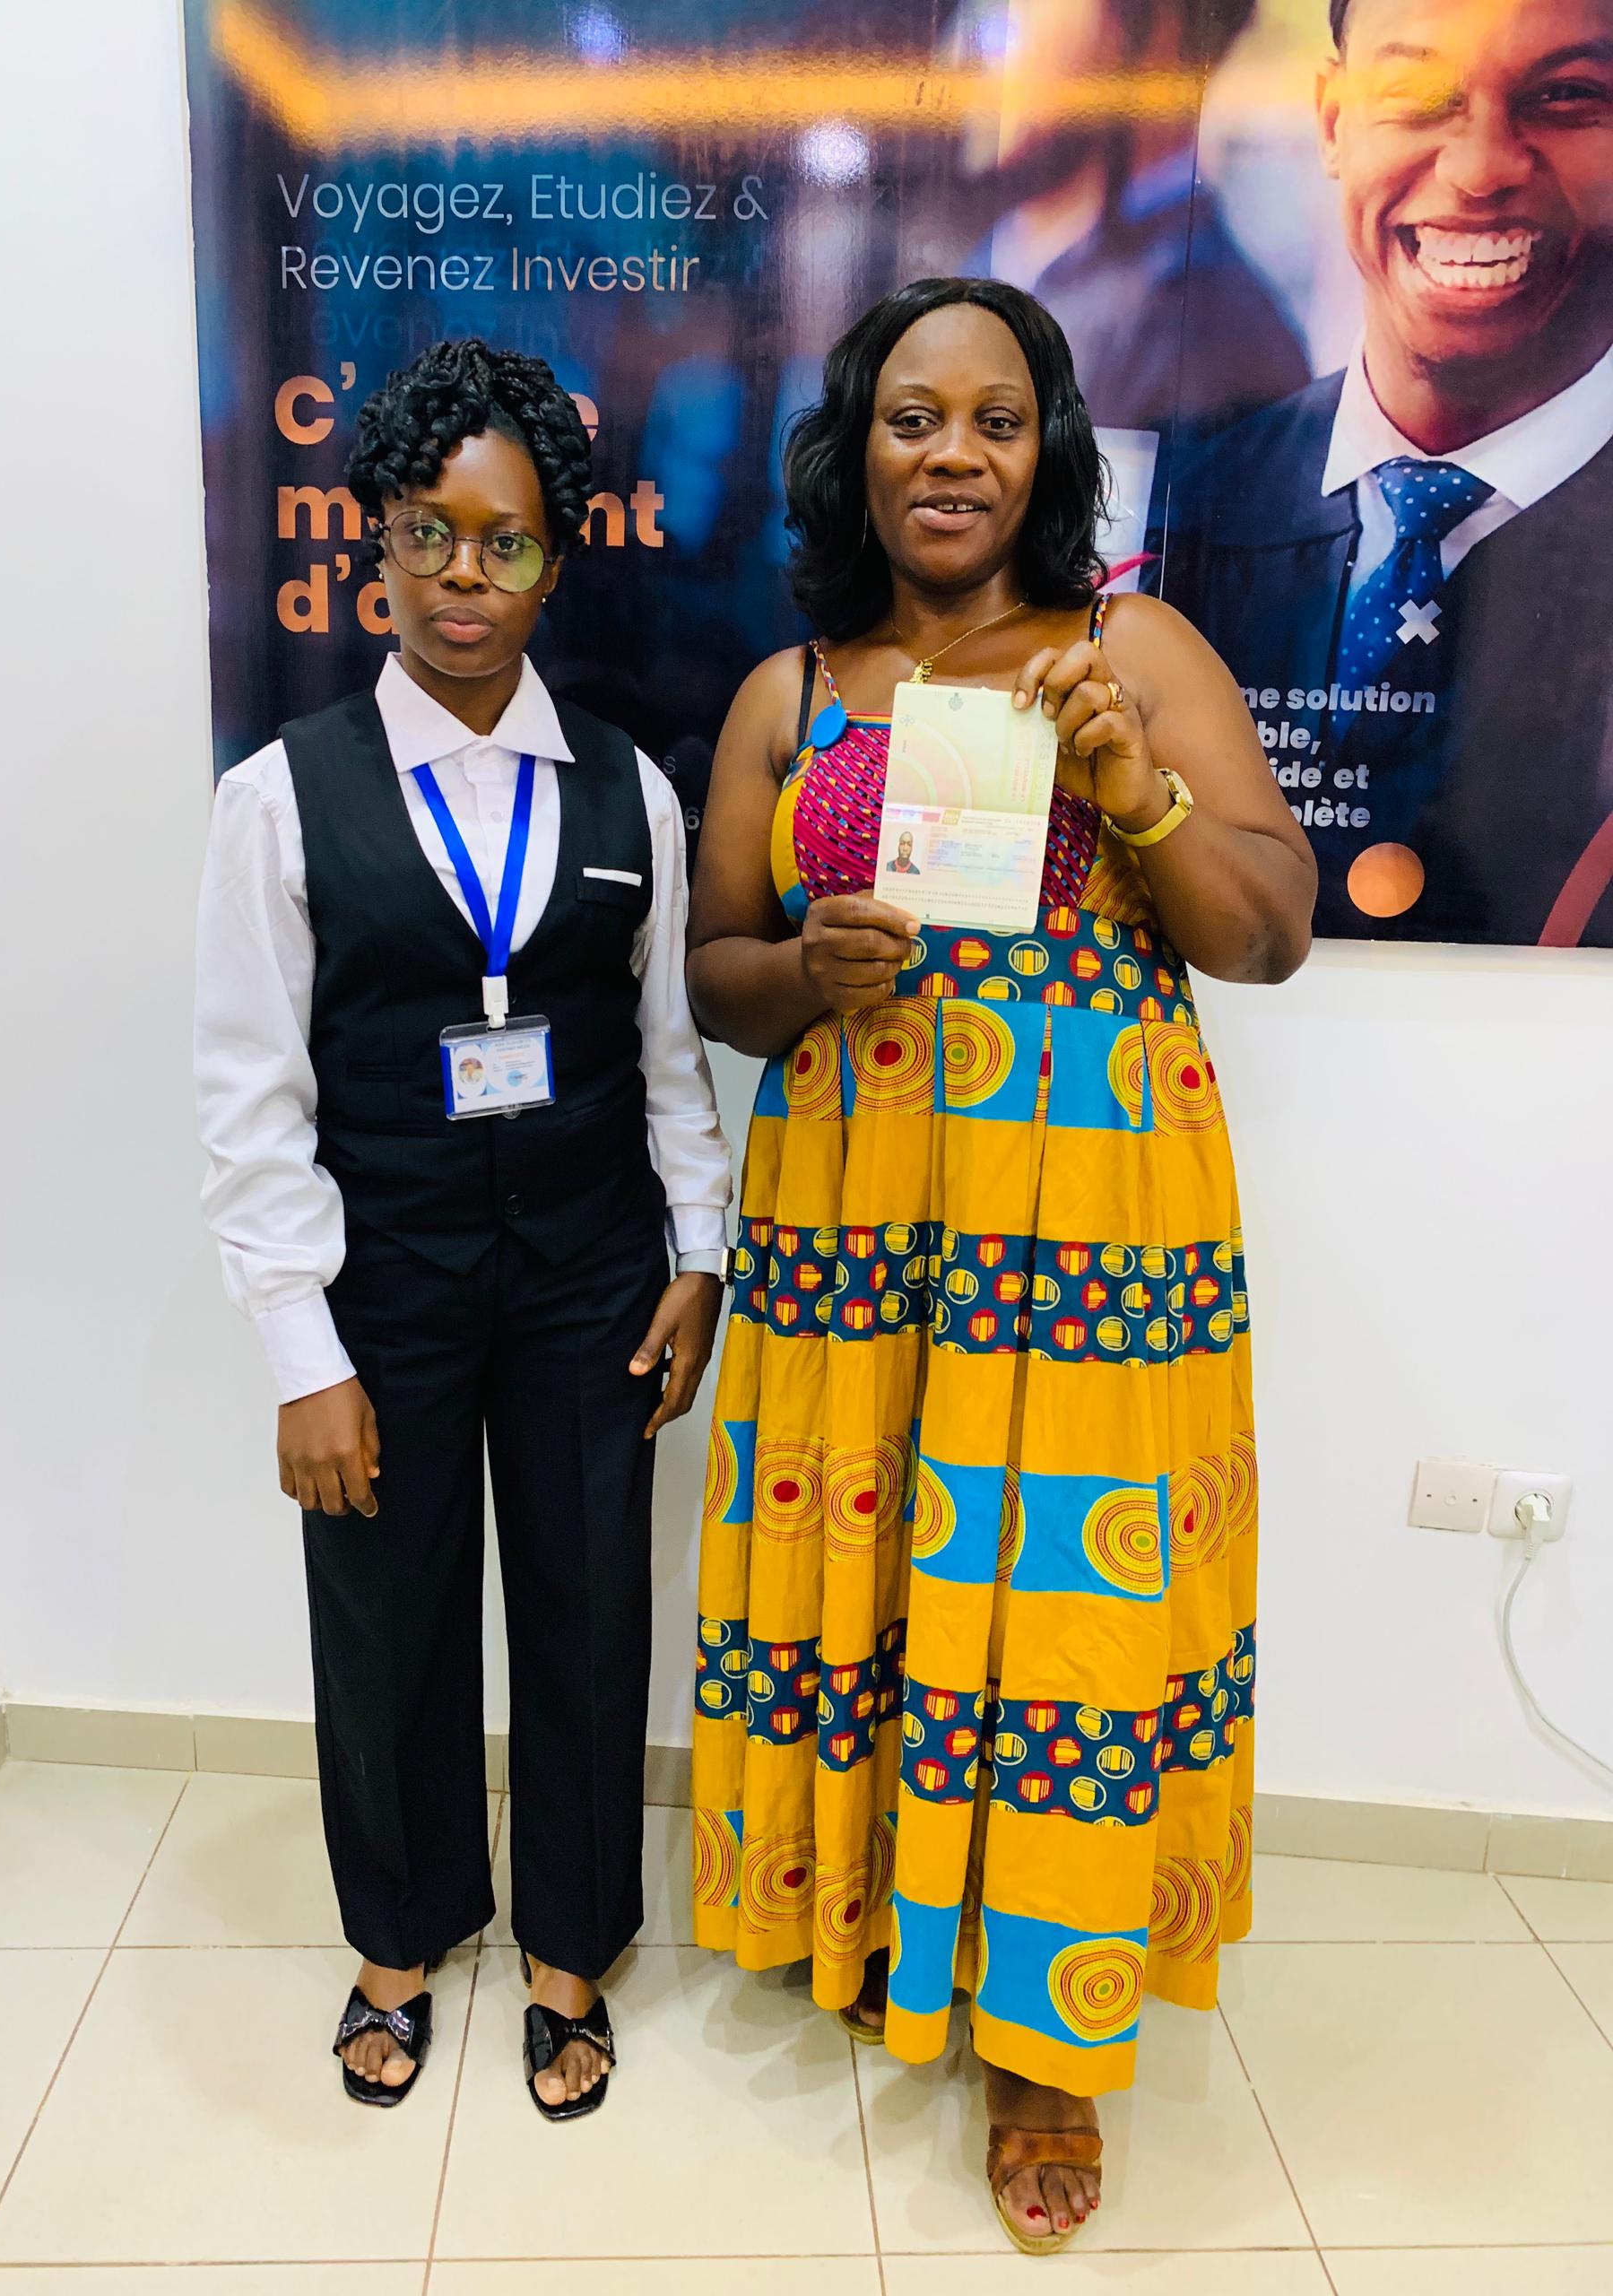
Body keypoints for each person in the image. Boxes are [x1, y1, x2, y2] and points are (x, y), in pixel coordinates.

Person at [685, 277, 1314, 2254]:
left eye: (996, 419)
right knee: (879, 1580)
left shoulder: (1135, 648)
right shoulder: (791, 691)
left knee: (1057, 1617)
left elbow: (1269, 930)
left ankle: (1048, 2042)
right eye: (910, 418)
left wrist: (1139, 788)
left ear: (1050, 453)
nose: (951, 454)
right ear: (853, 450)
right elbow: (712, 975)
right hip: (857, 1232)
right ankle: (876, 1921)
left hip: (1086, 1253)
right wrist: (804, 969)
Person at [195, 338, 733, 2118]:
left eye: (505, 542)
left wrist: (699, 1254)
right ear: (377, 542)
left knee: (585, 1610)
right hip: (389, 1285)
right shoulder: (282, 798)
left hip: (590, 1278)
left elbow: (667, 1055)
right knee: (388, 1616)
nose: (463, 577)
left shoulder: (627, 789)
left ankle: (573, 1946)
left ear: (555, 560)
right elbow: (250, 1097)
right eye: (429, 533)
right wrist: (303, 1353)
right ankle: (401, 1936)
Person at [1158, 0, 1613, 944]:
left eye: (1566, 96)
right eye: (1415, 95)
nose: (1479, 168)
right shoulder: (1186, 509)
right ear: (1333, 122)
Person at [958, 0, 1309, 437]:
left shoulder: (1203, 335)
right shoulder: (1007, 260)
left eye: (1017, 9)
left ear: (1157, 32)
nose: (969, 44)